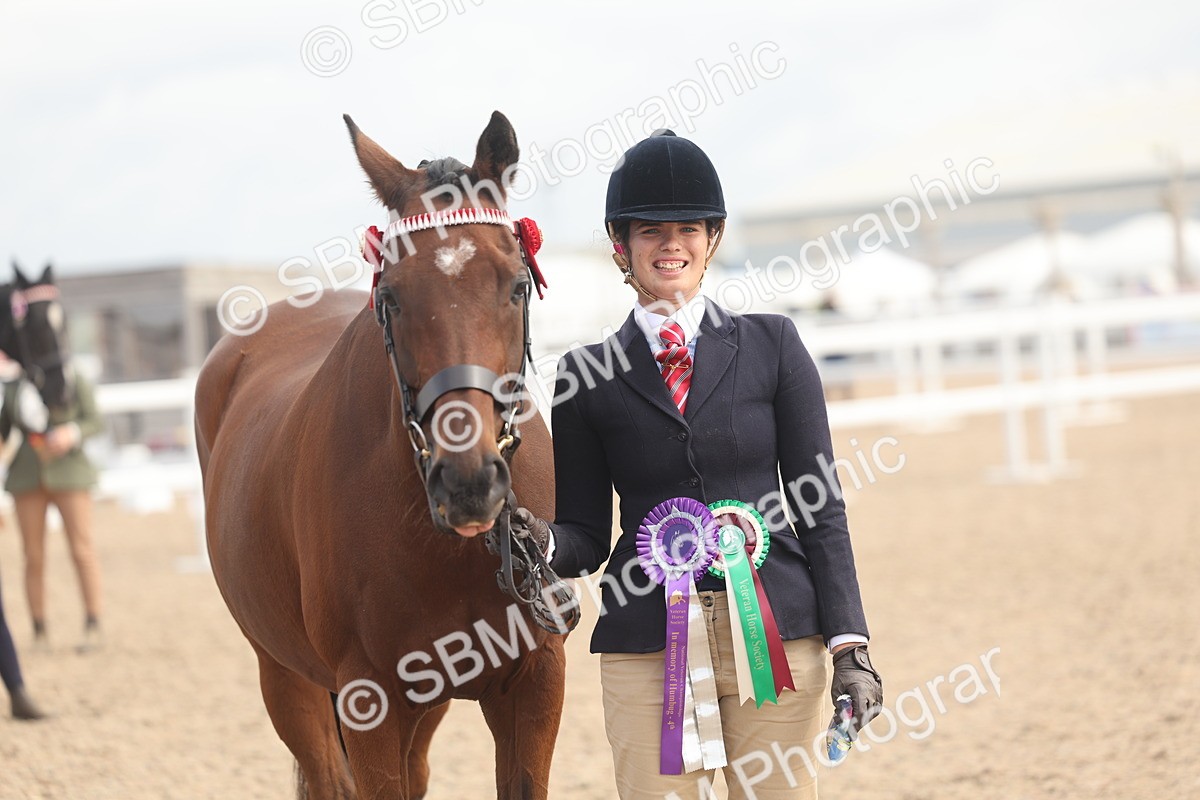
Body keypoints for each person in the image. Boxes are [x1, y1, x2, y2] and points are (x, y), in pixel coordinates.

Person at [515, 130, 883, 799]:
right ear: (620, 244)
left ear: (712, 239)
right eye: (651, 230)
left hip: (775, 632)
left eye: (688, 228)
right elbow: (586, 537)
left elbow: (819, 503)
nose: (672, 245)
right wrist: (537, 537)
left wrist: (850, 647)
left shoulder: (773, 346)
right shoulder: (585, 376)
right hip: (646, 642)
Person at [0, 362, 105, 654]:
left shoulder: (73, 376)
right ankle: (39, 629)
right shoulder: (13, 384)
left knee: (82, 549)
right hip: (27, 473)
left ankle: (93, 622)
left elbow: (95, 420)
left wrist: (71, 433)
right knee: (32, 555)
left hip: (69, 470)